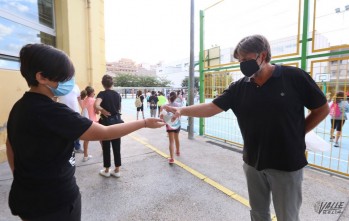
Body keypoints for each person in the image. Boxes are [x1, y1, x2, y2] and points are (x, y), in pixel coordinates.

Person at [164, 35, 329, 221]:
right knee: (258, 214)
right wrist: (181, 110)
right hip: (253, 163)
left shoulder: (294, 77)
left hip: (287, 163)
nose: (242, 64)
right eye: (239, 61)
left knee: (287, 216)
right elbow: (211, 108)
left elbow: (321, 109)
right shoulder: (238, 87)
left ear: (263, 55)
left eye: (246, 59)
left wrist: (298, 133)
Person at [6, 44, 164, 221]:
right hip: (55, 202)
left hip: (25, 198)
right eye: (64, 77)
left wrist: (23, 179)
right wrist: (143, 122)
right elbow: (105, 133)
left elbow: (10, 145)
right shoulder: (54, 112)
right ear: (42, 77)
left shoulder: (19, 107)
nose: (69, 82)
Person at [94, 75, 123, 178]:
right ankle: (117, 170)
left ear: (103, 84)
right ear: (112, 83)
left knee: (106, 146)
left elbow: (96, 105)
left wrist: (102, 110)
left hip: (105, 123)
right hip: (116, 122)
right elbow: (119, 109)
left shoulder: (102, 94)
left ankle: (106, 170)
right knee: (117, 146)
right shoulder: (117, 95)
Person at [58, 82, 84, 153]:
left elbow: (79, 98)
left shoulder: (75, 86)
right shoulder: (58, 85)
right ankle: (67, 149)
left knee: (77, 130)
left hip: (75, 112)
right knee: (65, 131)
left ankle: (77, 147)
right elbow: (53, 98)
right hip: (63, 113)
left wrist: (83, 108)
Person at [160, 91, 182, 164]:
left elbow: (162, 115)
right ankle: (178, 151)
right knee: (177, 138)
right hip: (177, 124)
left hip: (169, 124)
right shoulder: (178, 105)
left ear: (169, 97)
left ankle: (172, 158)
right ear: (176, 97)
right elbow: (180, 115)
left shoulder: (166, 105)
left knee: (171, 141)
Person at [81, 86, 98, 161]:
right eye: (94, 92)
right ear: (91, 93)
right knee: (101, 136)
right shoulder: (94, 100)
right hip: (93, 121)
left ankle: (85, 156)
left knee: (86, 139)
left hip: (86, 122)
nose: (94, 93)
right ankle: (105, 150)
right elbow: (97, 111)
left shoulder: (84, 100)